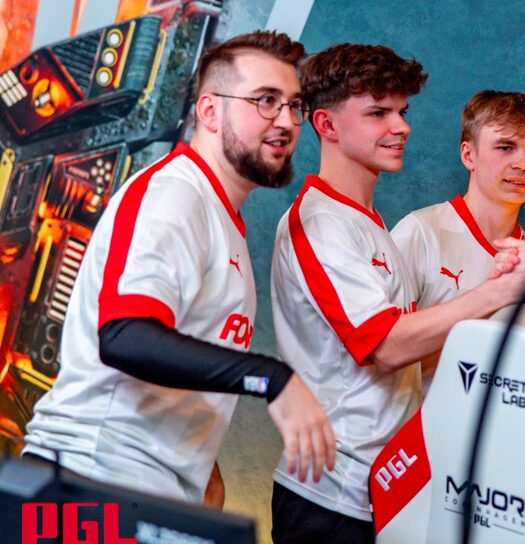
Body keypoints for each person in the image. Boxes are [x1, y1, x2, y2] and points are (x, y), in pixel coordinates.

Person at [23, 30, 336, 505]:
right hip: (89, 480)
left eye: (294, 105)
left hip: (145, 490)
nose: (287, 121)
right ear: (209, 111)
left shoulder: (218, 217)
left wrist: (203, 472)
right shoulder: (175, 194)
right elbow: (125, 335)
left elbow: (179, 365)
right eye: (266, 101)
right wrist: (271, 378)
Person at [269, 43, 525, 543]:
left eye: (402, 112)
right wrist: (499, 291)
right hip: (333, 497)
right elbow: (385, 346)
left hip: (390, 488)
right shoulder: (319, 223)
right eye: (378, 113)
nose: (400, 127)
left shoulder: (367, 223)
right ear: (326, 125)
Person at [392, 90, 525, 392]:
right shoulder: (421, 232)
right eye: (506, 147)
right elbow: (382, 356)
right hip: (422, 419)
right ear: (468, 155)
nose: (523, 164)